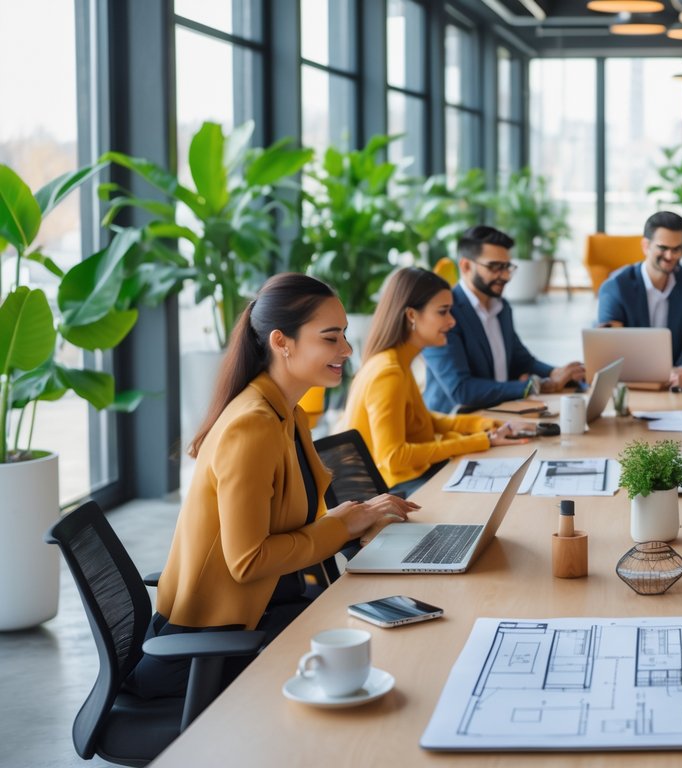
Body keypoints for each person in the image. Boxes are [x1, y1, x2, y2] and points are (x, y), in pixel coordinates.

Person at [127, 274, 418, 698]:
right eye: (330, 338)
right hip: (208, 650)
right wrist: (340, 526)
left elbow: (289, 526)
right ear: (282, 342)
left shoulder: (286, 414)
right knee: (392, 662)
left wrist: (356, 521)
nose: (347, 350)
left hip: (263, 614)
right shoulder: (253, 426)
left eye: (344, 336)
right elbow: (248, 560)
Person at [342, 267, 532, 497]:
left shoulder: (397, 361)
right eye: (443, 312)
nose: (452, 321)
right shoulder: (388, 372)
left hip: (410, 479)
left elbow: (424, 420)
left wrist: (486, 426)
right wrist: (482, 440)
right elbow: (393, 457)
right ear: (412, 315)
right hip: (397, 488)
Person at [422, 225, 585, 412]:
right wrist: (536, 386)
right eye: (495, 267)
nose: (506, 276)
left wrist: (558, 373)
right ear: (466, 266)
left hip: (499, 415)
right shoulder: (445, 314)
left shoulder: (501, 307)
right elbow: (462, 390)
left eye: (507, 267)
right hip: (455, 424)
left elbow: (521, 360)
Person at [596, 211, 682, 388]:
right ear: (646, 246)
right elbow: (607, 345)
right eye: (663, 248)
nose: (670, 256)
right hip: (630, 383)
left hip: (675, 382)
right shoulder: (616, 286)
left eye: (677, 249)